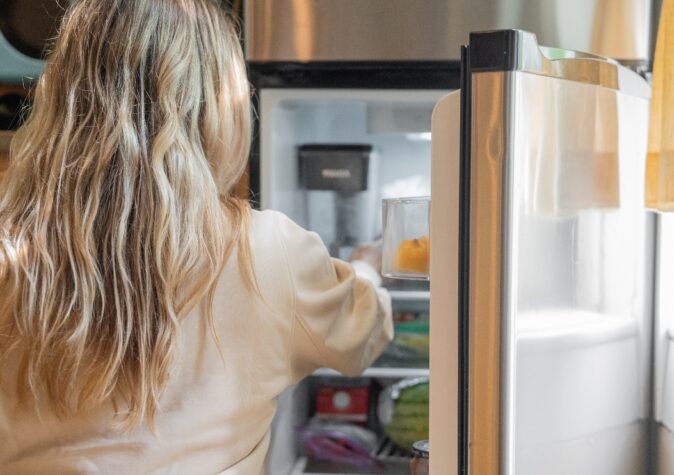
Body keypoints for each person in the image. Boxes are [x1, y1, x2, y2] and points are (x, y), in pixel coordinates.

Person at [0, 0, 393, 473]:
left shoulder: (10, 255)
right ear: (217, 108)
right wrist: (368, 263)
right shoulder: (268, 255)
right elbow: (364, 335)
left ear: (62, 96)